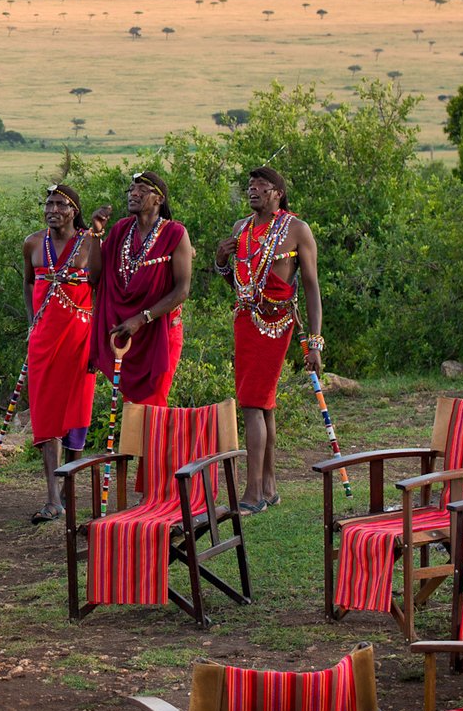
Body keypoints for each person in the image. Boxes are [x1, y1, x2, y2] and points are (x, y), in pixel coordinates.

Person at [213, 166, 322, 513]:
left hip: (275, 322)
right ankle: (270, 487)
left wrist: (314, 342)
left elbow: (310, 287)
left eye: (262, 185)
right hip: (244, 321)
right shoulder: (240, 229)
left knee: (251, 404)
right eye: (250, 185)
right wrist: (221, 262)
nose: (253, 190)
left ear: (278, 192)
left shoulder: (297, 230)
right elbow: (241, 285)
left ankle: (253, 492)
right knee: (263, 404)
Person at [23, 186, 104, 523]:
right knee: (46, 415)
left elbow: (101, 289)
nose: (53, 209)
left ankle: (69, 489)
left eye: (61, 204)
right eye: (49, 203)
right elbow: (28, 283)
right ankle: (52, 498)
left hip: (79, 340)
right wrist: (32, 323)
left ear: (74, 211)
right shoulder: (32, 243)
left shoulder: (90, 243)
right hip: (43, 341)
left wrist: (98, 342)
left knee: (76, 412)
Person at [85, 171, 195, 407]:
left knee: (153, 404)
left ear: (159, 199)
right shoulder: (120, 230)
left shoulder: (175, 233)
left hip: (160, 332)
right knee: (132, 407)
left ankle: (154, 445)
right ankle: (136, 446)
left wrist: (141, 319)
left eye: (142, 190)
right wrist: (95, 233)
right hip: (127, 333)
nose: (134, 194)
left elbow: (182, 290)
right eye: (132, 189)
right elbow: (95, 277)